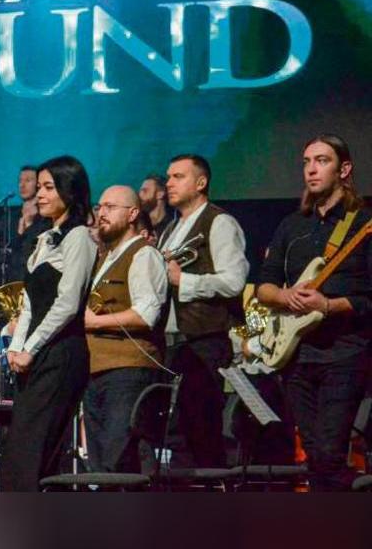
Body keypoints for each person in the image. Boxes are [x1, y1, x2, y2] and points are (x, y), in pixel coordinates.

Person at [255, 134, 371, 490]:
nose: (311, 169)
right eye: (306, 162)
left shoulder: (364, 224)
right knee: (312, 454)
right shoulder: (292, 225)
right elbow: (264, 286)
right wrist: (285, 295)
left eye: (322, 161)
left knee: (329, 453)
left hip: (345, 353)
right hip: (297, 355)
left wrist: (328, 305)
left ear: (344, 169)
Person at [0, 155, 98, 491]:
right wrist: (16, 347)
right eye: (39, 187)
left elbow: (67, 304)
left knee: (34, 446)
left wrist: (32, 348)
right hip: (37, 353)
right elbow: (28, 302)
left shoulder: (79, 237)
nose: (39, 194)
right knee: (21, 444)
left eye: (48, 187)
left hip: (61, 353)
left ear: (69, 191)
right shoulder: (46, 237)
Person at [157, 153, 249, 468]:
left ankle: (211, 489)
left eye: (178, 176)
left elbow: (234, 281)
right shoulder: (171, 229)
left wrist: (185, 281)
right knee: (178, 431)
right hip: (175, 342)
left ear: (201, 182)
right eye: (168, 177)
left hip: (207, 340)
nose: (169, 183)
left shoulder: (219, 222)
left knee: (203, 428)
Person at [83, 185, 167, 473]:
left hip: (128, 370)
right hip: (96, 370)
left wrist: (94, 322)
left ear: (132, 214)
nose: (102, 214)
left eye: (110, 207)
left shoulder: (143, 254)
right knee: (100, 461)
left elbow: (146, 313)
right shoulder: (105, 258)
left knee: (120, 458)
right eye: (100, 207)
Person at [6, 165, 51, 283]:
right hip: (12, 280)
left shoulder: (46, 218)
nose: (22, 185)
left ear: (38, 184)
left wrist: (29, 225)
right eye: (20, 181)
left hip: (36, 280)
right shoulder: (10, 218)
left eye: (28, 180)